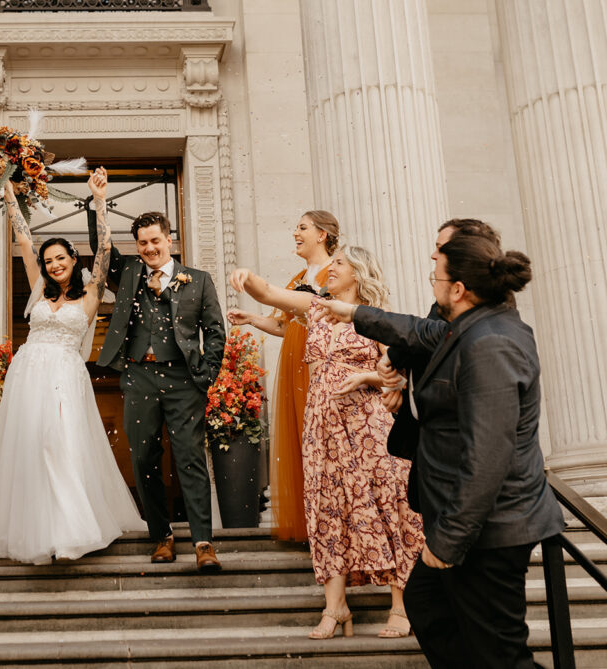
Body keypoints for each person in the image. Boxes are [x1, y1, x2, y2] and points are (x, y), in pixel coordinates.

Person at [321, 234, 565, 667]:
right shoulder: (468, 327)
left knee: (500, 654)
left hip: (489, 528)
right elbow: (419, 333)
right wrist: (370, 330)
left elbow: (488, 455)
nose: (430, 281)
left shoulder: (490, 342)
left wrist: (449, 540)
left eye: (436, 275)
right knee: (429, 606)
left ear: (458, 289)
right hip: (464, 521)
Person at [229, 245, 424, 640]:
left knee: (389, 505)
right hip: (321, 426)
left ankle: (402, 607)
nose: (328, 269)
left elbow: (399, 378)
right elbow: (270, 295)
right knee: (327, 509)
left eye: (338, 264)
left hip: (369, 426)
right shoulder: (316, 307)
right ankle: (335, 606)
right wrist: (247, 277)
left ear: (359, 273)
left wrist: (366, 378)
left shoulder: (376, 320)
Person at [0, 169, 144, 564]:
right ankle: (38, 530)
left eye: (60, 258)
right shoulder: (37, 288)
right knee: (32, 447)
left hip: (65, 374)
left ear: (72, 259)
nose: (52, 265)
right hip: (29, 374)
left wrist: (99, 202)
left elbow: (103, 254)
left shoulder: (91, 293)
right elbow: (24, 240)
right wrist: (10, 196)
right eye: (48, 261)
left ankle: (72, 531)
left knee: (59, 444)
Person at [88, 177, 227, 572]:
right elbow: (104, 250)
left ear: (169, 239)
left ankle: (203, 542)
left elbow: (215, 332)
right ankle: (161, 536)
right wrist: (99, 202)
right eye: (143, 243)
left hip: (185, 380)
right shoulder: (130, 273)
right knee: (144, 457)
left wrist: (206, 374)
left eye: (155, 241)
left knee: (189, 459)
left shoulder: (198, 280)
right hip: (139, 378)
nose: (149, 249)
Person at [228, 211, 338, 542]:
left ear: (322, 234)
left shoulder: (338, 272)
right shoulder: (300, 276)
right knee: (299, 439)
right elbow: (281, 324)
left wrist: (248, 276)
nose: (295, 233)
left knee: (322, 441)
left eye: (302, 227)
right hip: (293, 364)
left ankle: (330, 526)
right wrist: (251, 319)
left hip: (319, 365)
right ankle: (310, 527)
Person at [380, 219, 503, 512]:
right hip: (432, 465)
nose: (433, 256)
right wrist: (401, 383)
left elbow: (427, 334)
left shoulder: (479, 319)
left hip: (458, 478)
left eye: (440, 248)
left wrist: (394, 357)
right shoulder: (445, 304)